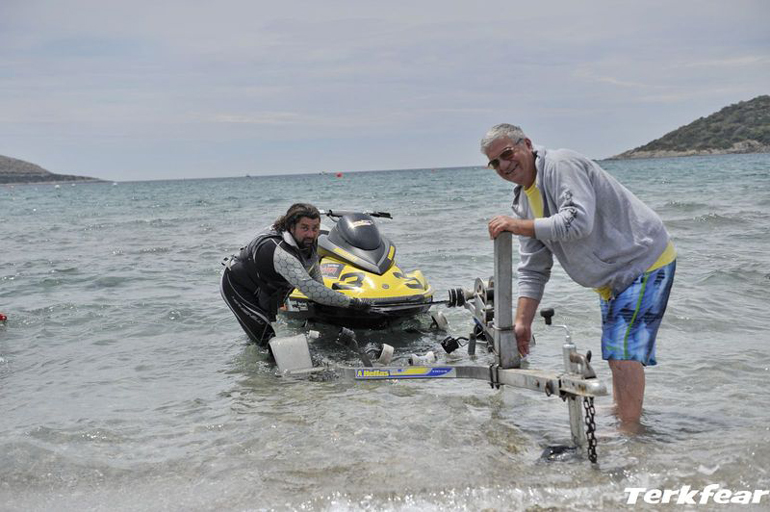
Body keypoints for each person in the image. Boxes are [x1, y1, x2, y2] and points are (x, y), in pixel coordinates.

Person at [481, 123, 676, 431]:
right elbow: (534, 266)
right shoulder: (522, 202)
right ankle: (624, 415)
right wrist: (523, 322)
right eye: (495, 163)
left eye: (507, 154)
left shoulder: (561, 164)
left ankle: (632, 433)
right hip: (612, 276)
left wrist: (519, 226)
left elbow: (577, 221)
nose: (504, 165)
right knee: (616, 353)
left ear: (526, 143)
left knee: (622, 352)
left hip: (643, 260)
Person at [220, 203, 371, 346]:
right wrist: (353, 302)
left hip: (266, 289)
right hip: (237, 286)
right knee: (267, 341)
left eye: (315, 228)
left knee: (261, 334)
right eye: (304, 228)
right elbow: (312, 290)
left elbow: (317, 282)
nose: (311, 234)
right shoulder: (280, 252)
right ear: (291, 227)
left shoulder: (310, 240)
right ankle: (276, 372)